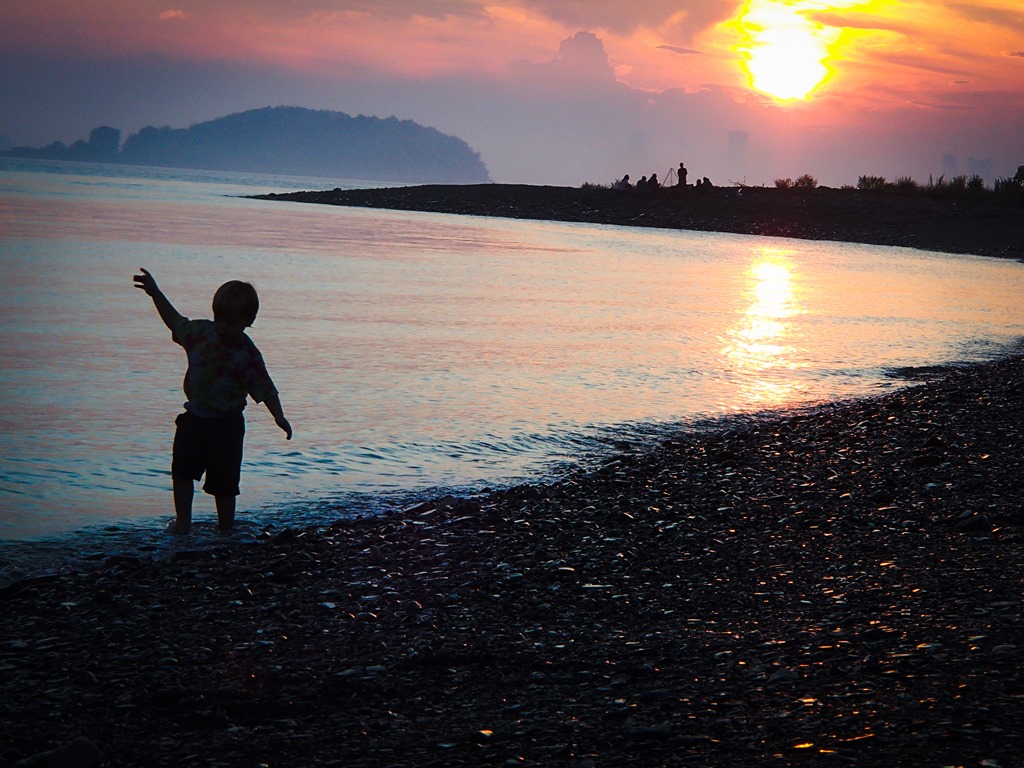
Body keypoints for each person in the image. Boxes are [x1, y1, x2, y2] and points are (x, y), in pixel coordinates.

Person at [133, 268, 292, 534]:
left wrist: (279, 416)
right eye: (219, 318)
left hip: (227, 425)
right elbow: (174, 320)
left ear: (248, 320)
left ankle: (226, 528)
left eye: (231, 321)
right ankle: (183, 521)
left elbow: (265, 386)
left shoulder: (247, 352)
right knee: (182, 471)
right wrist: (155, 293)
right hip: (194, 419)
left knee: (225, 482)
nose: (222, 325)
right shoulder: (200, 333)